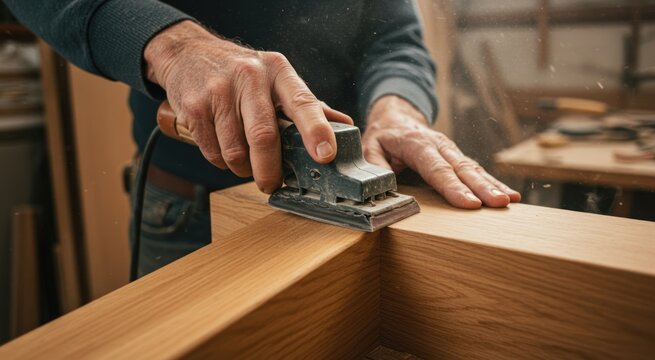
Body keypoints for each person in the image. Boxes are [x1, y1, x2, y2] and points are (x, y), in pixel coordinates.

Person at [5, 0, 520, 277]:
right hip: (192, 210)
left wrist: (397, 109)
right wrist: (176, 47)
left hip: (343, 211)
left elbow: (397, 40)